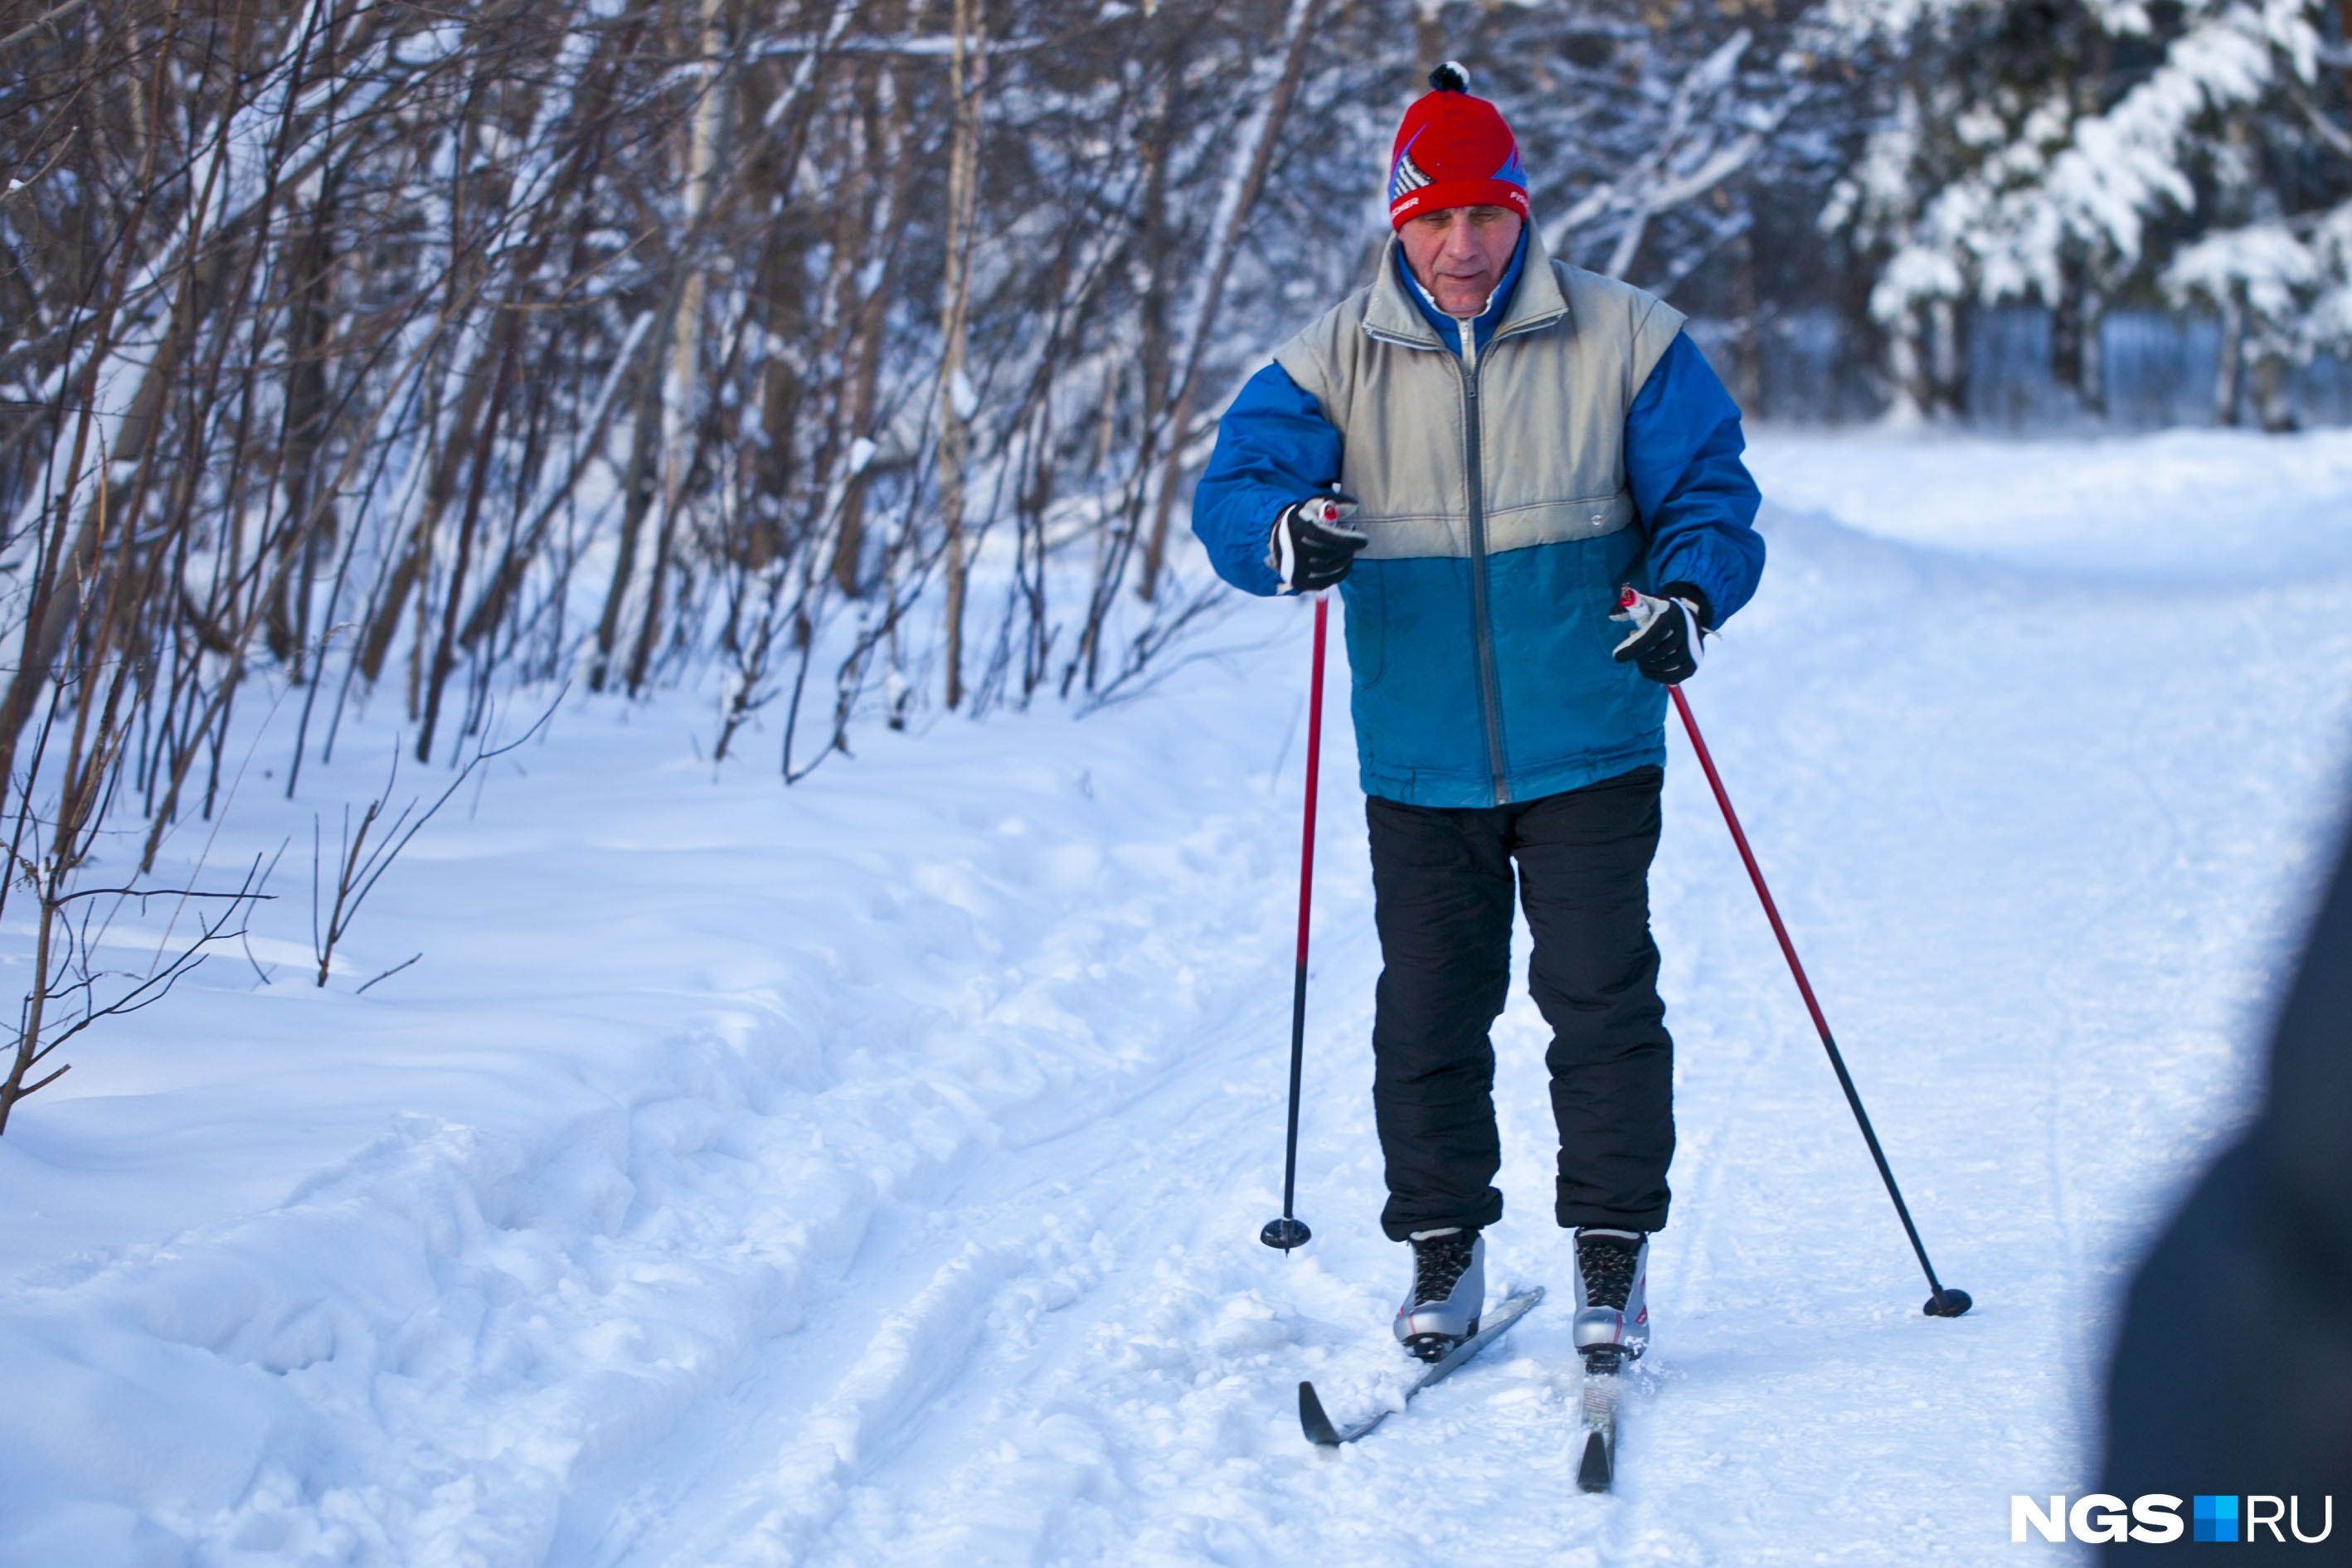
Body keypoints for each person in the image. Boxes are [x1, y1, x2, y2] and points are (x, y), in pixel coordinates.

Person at [1190, 63, 1765, 1371]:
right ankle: (1442, 1249)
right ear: (1399, 224)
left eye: (1486, 215)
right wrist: (1283, 535)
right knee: (1430, 1012)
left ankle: (1609, 1253)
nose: (1462, 245)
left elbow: (1712, 499)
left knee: (1600, 1000)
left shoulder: (1628, 337)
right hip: (1421, 753)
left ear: (1522, 213)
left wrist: (1688, 595)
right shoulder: (1330, 358)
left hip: (1592, 736)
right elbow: (1235, 491)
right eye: (1434, 219)